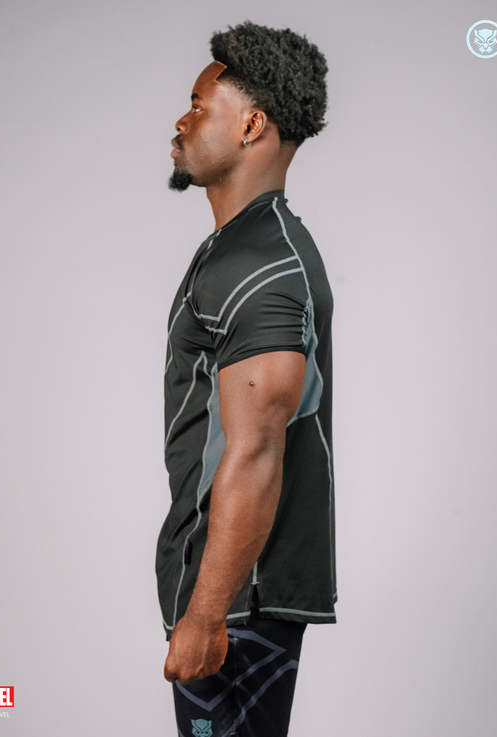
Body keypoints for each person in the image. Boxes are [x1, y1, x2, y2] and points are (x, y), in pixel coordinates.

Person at [156, 21, 335, 737]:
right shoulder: (241, 248)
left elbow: (257, 450)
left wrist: (205, 614)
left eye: (199, 106)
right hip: (230, 594)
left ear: (251, 125)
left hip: (238, 604)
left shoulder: (261, 267)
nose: (182, 121)